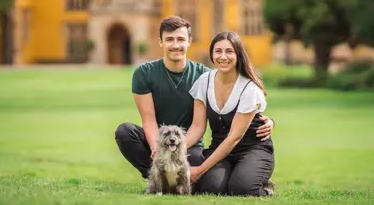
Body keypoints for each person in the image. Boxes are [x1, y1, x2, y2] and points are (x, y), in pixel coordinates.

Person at [114, 16, 275, 184]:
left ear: (189, 41)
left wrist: (269, 121)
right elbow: (148, 120)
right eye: (169, 39)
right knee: (125, 132)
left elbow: (237, 98)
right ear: (161, 42)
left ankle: (179, 179)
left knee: (210, 182)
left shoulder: (203, 76)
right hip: (157, 141)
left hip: (190, 146)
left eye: (180, 39)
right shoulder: (144, 73)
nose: (175, 45)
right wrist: (158, 148)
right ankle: (160, 179)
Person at [184, 31, 275, 196]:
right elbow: (197, 127)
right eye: (218, 51)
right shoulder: (204, 82)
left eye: (229, 51)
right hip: (219, 149)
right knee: (211, 188)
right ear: (212, 54)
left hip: (252, 149)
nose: (223, 57)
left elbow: (234, 137)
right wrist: (176, 148)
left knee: (242, 189)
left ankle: (262, 183)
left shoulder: (249, 89)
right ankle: (237, 174)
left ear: (238, 55)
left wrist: (199, 170)